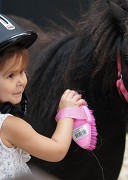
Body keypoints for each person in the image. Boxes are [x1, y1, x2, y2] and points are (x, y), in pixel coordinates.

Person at [0, 13, 86, 179]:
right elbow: (56, 151)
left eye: (22, 71)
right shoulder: (9, 125)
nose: (21, 81)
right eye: (10, 75)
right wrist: (66, 114)